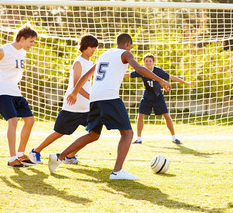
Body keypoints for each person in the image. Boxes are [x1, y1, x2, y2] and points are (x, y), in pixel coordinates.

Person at [48, 33, 172, 180]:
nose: (130, 48)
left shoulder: (105, 54)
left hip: (94, 98)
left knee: (93, 135)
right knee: (127, 134)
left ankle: (59, 157)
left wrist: (75, 92)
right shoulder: (126, 53)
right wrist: (161, 80)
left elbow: (86, 76)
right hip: (109, 97)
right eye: (131, 46)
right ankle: (117, 171)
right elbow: (139, 69)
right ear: (127, 44)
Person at [28, 35, 98, 164]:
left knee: (94, 134)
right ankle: (35, 151)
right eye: (91, 46)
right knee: (59, 133)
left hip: (86, 108)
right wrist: (91, 97)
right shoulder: (79, 62)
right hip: (73, 106)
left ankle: (70, 156)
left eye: (95, 47)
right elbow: (77, 84)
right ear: (83, 47)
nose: (93, 49)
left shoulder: (90, 63)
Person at [0, 24, 38, 168]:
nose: (32, 45)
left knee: (30, 120)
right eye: (31, 41)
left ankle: (20, 154)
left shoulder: (22, 52)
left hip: (15, 91)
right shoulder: (3, 51)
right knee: (13, 121)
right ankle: (12, 159)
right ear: (23, 38)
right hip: (2, 92)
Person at [124, 53, 196, 145]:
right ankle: (138, 139)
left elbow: (171, 77)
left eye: (150, 61)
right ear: (144, 62)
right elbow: (128, 75)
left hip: (158, 97)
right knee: (140, 115)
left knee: (166, 115)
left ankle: (174, 138)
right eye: (146, 61)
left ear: (153, 62)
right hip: (147, 97)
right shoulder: (141, 70)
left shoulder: (158, 71)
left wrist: (186, 83)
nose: (148, 63)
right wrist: (114, 75)